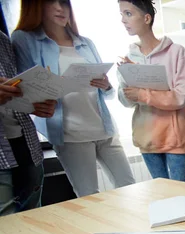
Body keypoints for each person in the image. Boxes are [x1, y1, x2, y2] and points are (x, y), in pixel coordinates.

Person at [11, 0, 135, 198]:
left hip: (105, 129)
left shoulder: (85, 42)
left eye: (64, 3)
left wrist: (106, 85)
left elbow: (108, 94)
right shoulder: (24, 39)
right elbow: (24, 90)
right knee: (89, 197)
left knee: (130, 187)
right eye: (52, 2)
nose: (61, 8)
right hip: (71, 136)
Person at [117, 0, 185, 182]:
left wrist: (142, 94)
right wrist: (127, 80)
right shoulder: (130, 57)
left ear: (146, 18)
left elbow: (181, 97)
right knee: (160, 193)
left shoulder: (176, 52)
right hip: (147, 138)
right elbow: (126, 101)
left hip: (175, 138)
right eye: (121, 15)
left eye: (128, 14)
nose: (123, 20)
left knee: (179, 193)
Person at [0, 31, 56, 216]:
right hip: (2, 155)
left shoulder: (3, 39)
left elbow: (16, 86)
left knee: (33, 218)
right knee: (6, 227)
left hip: (25, 142)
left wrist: (35, 103)